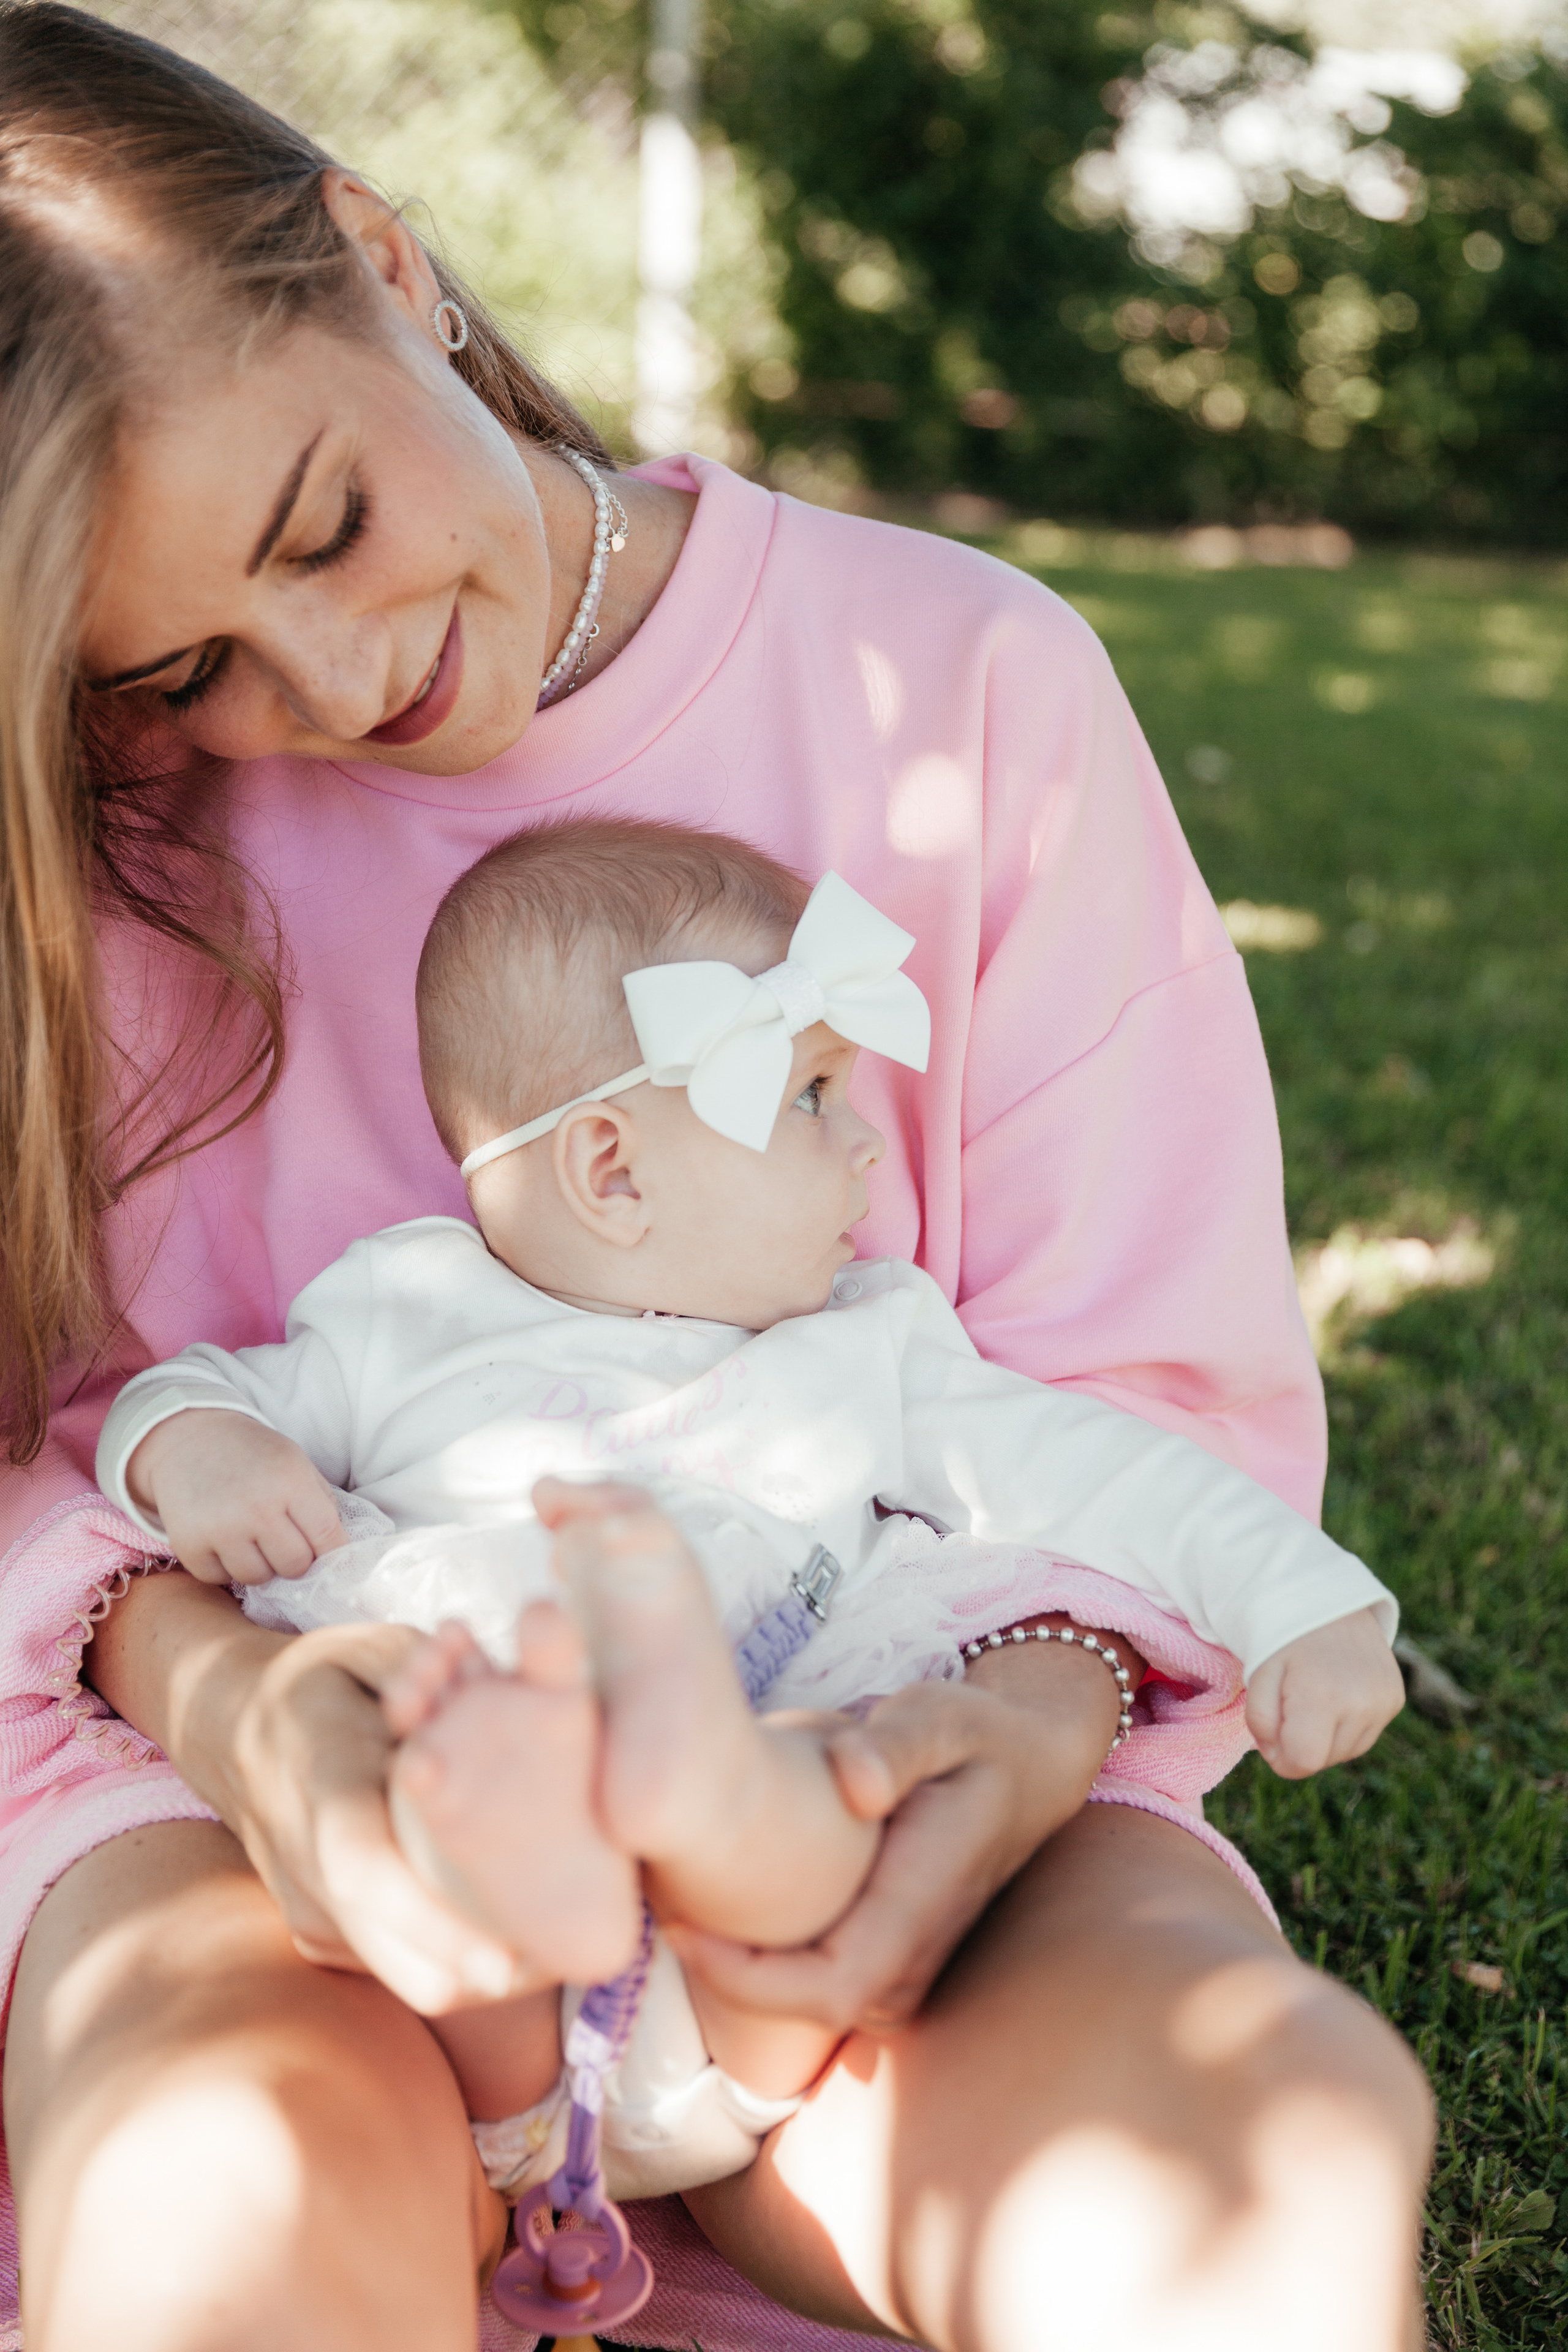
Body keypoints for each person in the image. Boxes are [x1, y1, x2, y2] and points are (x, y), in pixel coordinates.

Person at [0, 8, 1434, 2350]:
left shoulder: (962, 683)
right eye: (182, 667)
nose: (332, 681)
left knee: (1240, 2162)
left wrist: (1041, 1697)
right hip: (244, 1817)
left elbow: (1136, 1388)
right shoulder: (95, 860)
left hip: (857, 1755)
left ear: (388, 260)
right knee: (223, 2209)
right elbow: (44, 1440)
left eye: (327, 525)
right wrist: (221, 1695)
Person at [90, 818, 1404, 2199]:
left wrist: (1296, 1601)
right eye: (813, 1097)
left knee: (833, 1788)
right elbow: (191, 1392)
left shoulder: (864, 1346)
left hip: (768, 1984)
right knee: (424, 1762)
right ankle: (567, 1828)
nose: (865, 1154)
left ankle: (704, 1785)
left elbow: (1095, 1470)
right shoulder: (403, 1317)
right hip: (477, 2009)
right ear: (611, 1169)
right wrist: (203, 1449)